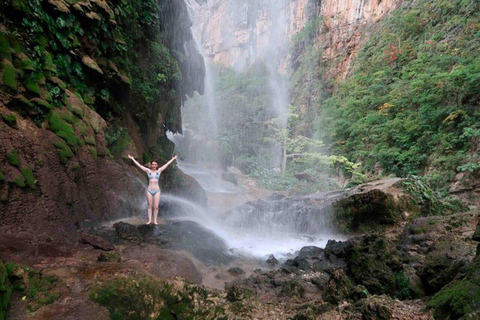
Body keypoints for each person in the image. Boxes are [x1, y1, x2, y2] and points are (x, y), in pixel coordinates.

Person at [128, 154, 178, 225]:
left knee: (156, 206)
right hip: (149, 190)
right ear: (151, 165)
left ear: (157, 165)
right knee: (149, 206)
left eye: (155, 164)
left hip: (157, 190)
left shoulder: (159, 171)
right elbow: (139, 166)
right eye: (153, 164)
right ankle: (149, 220)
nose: (154, 165)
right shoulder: (148, 171)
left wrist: (173, 159)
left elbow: (167, 164)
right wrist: (132, 158)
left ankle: (155, 220)